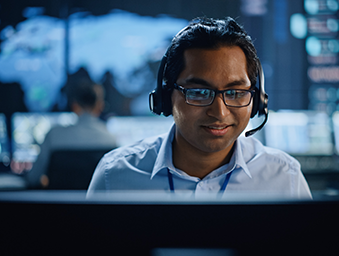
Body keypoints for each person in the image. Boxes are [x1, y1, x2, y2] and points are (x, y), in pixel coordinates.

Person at [87, 17, 312, 199]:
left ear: (257, 101)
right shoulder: (114, 175)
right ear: (166, 98)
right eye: (198, 92)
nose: (219, 112)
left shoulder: (285, 177)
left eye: (234, 93)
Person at [26, 81, 117, 188]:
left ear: (74, 106)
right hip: (94, 204)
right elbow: (113, 183)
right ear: (100, 107)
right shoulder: (111, 140)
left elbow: (33, 178)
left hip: (58, 203)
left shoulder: (54, 135)